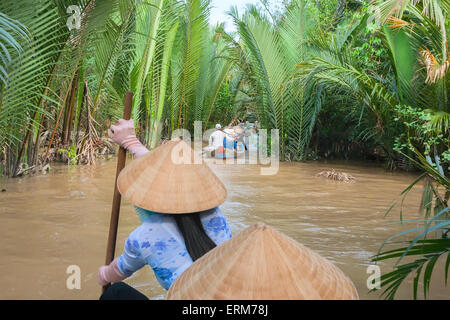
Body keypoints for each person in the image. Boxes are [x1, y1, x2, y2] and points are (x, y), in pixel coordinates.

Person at [98, 119, 232, 300]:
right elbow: (172, 176)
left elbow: (117, 271)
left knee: (116, 293)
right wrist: (131, 143)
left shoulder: (143, 238)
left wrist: (104, 274)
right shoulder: (214, 213)